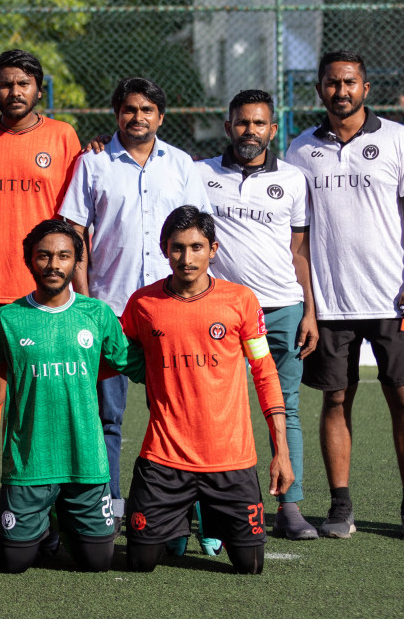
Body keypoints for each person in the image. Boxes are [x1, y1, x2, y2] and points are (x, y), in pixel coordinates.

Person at [285, 51, 404, 542]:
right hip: (330, 304)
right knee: (335, 398)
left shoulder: (398, 139)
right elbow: (298, 239)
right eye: (332, 83)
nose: (341, 91)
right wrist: (308, 304)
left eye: (350, 82)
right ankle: (340, 505)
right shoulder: (300, 149)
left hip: (393, 298)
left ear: (366, 88)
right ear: (320, 89)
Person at [59, 77, 210, 522]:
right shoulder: (94, 163)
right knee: (107, 416)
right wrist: (85, 303)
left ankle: (183, 507)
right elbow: (75, 234)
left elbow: (200, 233)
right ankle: (109, 503)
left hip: (172, 311)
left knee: (182, 414)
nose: (138, 117)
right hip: (110, 312)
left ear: (161, 117)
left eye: (147, 110)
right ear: (117, 114)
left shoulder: (182, 165)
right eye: (129, 109)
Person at [0, 49, 81, 525]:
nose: (14, 92)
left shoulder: (63, 136)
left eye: (23, 83)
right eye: (5, 84)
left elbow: (74, 209)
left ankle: (50, 500)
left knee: (49, 394)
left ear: (39, 89)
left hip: (45, 288)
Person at [119, 206, 292, 575]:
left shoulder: (241, 301)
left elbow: (264, 371)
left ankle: (205, 521)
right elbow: (121, 354)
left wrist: (281, 451)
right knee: (139, 562)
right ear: (165, 249)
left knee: (251, 566)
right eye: (177, 248)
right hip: (164, 458)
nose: (187, 258)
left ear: (213, 249)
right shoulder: (143, 304)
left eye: (197, 247)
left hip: (231, 460)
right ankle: (176, 526)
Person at [0, 220, 138, 574]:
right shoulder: (7, 318)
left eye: (64, 256)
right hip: (30, 463)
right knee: (13, 563)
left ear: (76, 261)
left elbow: (133, 363)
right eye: (44, 256)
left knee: (97, 563)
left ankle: (63, 519)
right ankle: (46, 523)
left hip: (86, 464)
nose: (53, 264)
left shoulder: (97, 314)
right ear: (29, 261)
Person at [195, 90, 320, 541]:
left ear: (273, 128)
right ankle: (208, 507)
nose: (251, 131)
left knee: (284, 410)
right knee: (210, 409)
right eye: (242, 123)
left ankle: (290, 505)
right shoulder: (199, 174)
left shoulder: (292, 179)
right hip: (220, 313)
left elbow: (300, 251)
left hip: (282, 310)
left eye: (259, 123)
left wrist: (309, 311)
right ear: (229, 127)